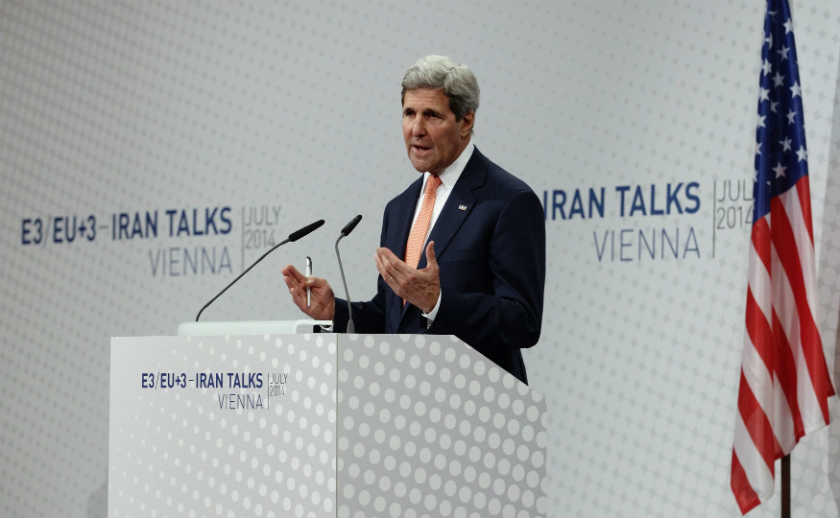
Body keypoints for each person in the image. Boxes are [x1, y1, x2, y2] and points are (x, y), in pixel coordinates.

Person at [282, 55, 545, 384]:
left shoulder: (507, 201)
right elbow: (391, 317)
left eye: (431, 115)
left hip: (479, 412)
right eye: (409, 113)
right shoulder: (400, 207)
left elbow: (522, 321)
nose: (416, 129)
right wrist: (335, 310)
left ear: (465, 121)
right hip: (408, 410)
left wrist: (438, 303)